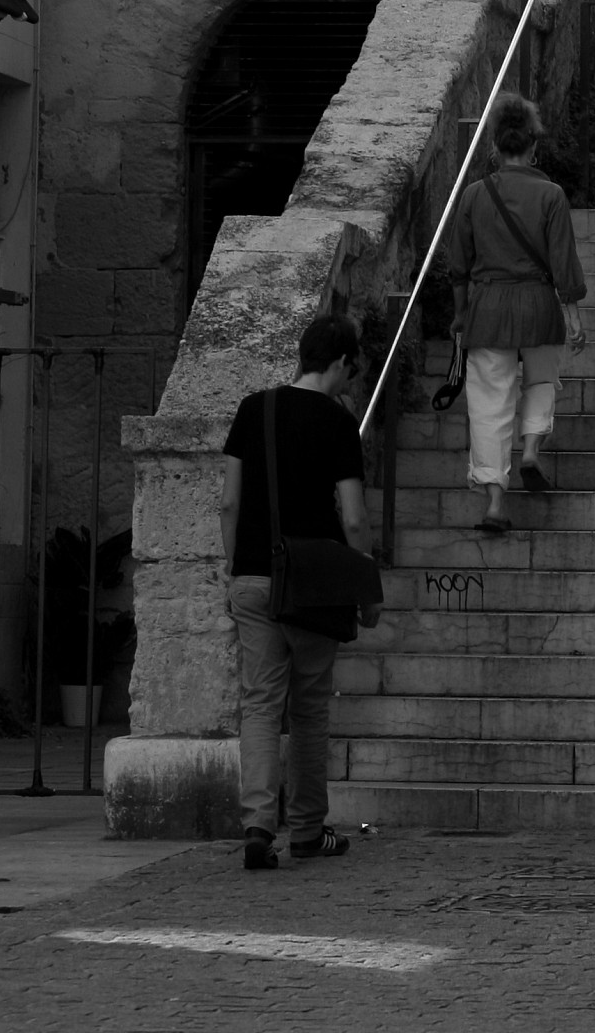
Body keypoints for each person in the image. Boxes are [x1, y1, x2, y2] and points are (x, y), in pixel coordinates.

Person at [219, 312, 380, 870]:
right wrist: (367, 589)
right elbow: (355, 521)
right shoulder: (339, 421)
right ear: (338, 363)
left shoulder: (253, 408)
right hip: (313, 586)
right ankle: (308, 830)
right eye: (349, 371)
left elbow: (230, 503)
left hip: (253, 577)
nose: (348, 381)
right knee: (309, 710)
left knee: (260, 705)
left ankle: (258, 827)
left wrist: (234, 566)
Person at [446, 92, 588, 536]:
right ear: (534, 146)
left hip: (487, 309)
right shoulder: (551, 195)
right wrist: (575, 316)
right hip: (538, 306)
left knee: (488, 403)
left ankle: (493, 502)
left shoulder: (472, 194)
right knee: (542, 379)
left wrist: (459, 314)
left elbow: (458, 265)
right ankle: (529, 451)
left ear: (495, 146)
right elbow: (563, 263)